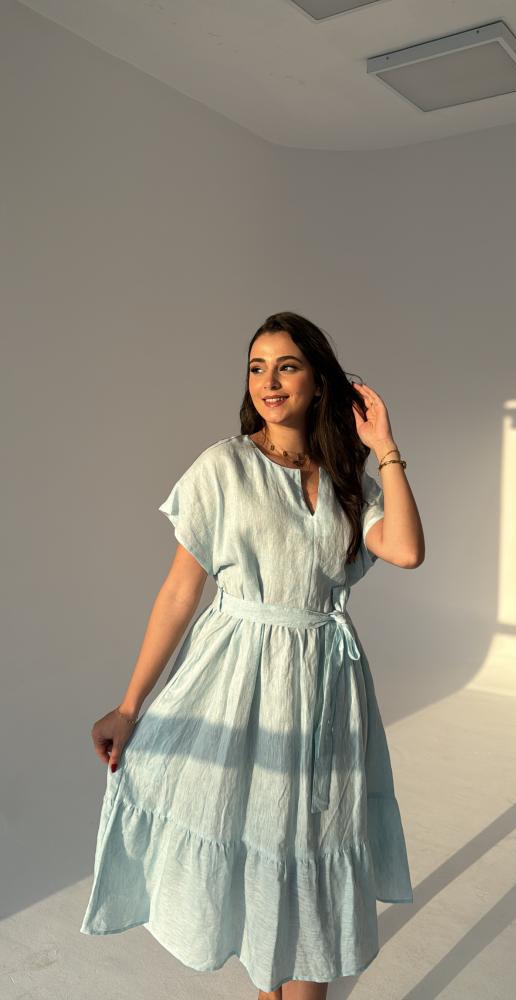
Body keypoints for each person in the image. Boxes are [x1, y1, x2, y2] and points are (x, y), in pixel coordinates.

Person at [80, 311, 424, 1000]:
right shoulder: (225, 467)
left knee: (314, 857)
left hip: (326, 690)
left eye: (287, 366)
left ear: (319, 380)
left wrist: (385, 447)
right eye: (257, 367)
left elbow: (407, 550)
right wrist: (130, 705)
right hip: (240, 682)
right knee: (264, 854)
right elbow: (180, 593)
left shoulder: (347, 475)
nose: (269, 381)